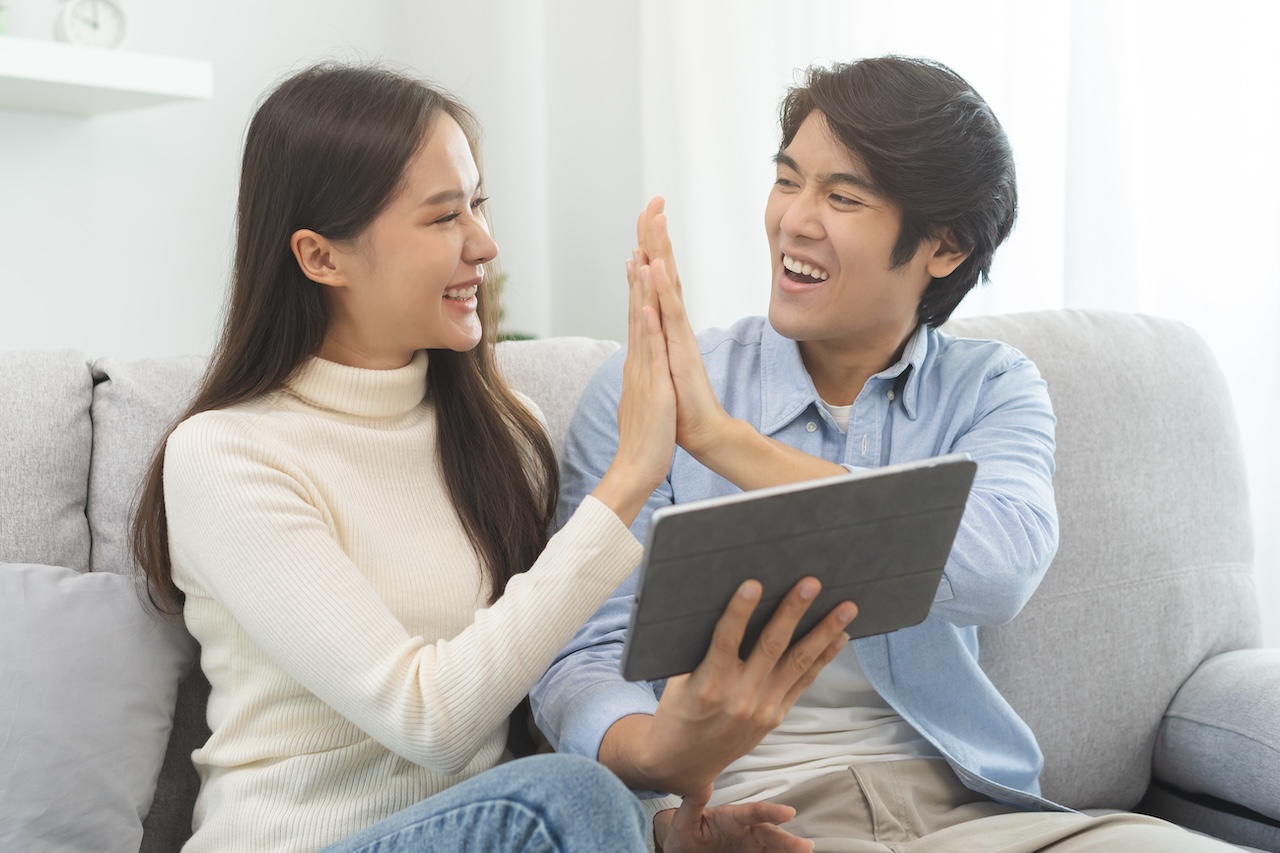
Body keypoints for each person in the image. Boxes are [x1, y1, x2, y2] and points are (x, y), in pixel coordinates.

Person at [128, 62, 851, 853]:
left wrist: (656, 835)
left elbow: (522, 698)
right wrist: (629, 481)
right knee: (562, 797)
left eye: (477, 203)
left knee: (580, 797)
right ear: (320, 256)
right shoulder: (229, 455)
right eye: (443, 218)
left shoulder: (504, 433)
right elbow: (429, 720)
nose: (484, 243)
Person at [531, 56, 1243, 852]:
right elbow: (582, 657)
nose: (795, 220)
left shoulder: (992, 389)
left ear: (943, 247)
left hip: (977, 810)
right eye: (788, 179)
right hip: (768, 815)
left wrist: (725, 442)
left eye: (843, 197)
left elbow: (998, 567)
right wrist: (658, 769)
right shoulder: (649, 389)